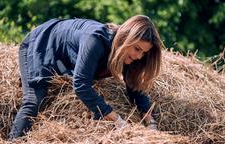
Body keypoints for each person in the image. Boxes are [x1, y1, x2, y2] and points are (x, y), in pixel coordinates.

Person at [9, 15, 164, 140]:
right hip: (41, 43)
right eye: (137, 49)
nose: (138, 56)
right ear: (125, 38)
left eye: (144, 52)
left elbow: (134, 87)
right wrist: (117, 120)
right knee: (34, 99)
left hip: (63, 57)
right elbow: (81, 85)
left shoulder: (129, 54)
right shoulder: (95, 41)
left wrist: (150, 122)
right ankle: (13, 140)